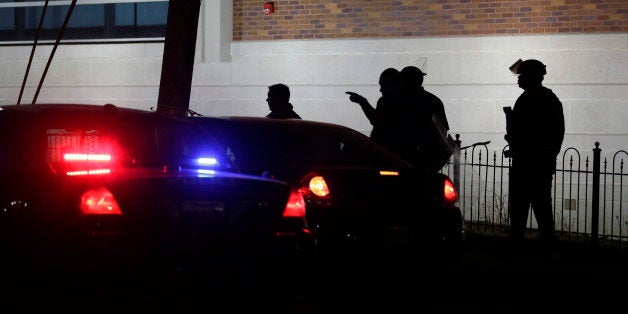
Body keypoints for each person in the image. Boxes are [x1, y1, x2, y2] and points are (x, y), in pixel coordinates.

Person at [504, 59, 565, 260]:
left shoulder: (536, 100)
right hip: (536, 164)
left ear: (531, 77)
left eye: (522, 76)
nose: (519, 80)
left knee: (528, 208)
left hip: (531, 165)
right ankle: (544, 248)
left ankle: (525, 248)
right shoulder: (542, 98)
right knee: (538, 208)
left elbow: (542, 134)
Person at [346, 68, 409, 161]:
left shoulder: (401, 104)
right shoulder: (383, 101)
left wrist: (363, 102)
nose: (381, 89)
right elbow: (377, 119)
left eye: (384, 85)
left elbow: (378, 121)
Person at [399, 65, 451, 171]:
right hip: (428, 158)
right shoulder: (433, 100)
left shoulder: (400, 101)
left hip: (410, 156)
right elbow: (442, 131)